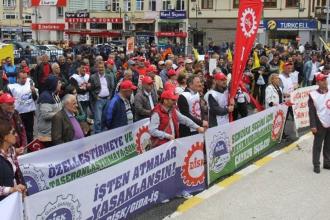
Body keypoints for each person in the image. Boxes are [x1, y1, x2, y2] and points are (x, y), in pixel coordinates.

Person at [7, 71, 38, 144]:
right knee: (19, 133)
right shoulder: (12, 87)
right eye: (23, 78)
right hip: (18, 114)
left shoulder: (30, 84)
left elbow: (35, 98)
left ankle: (31, 149)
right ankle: (20, 149)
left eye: (25, 77)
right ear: (17, 78)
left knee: (30, 132)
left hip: (29, 112)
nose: (25, 79)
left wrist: (33, 91)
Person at [308, 73, 330, 174]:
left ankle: (327, 162)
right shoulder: (313, 95)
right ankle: (316, 164)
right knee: (318, 145)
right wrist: (313, 125)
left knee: (328, 144)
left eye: (325, 79)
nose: (324, 81)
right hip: (319, 122)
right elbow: (311, 111)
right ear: (317, 82)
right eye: (322, 80)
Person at [0, 122, 26, 201]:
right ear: (5, 137)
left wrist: (21, 188)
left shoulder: (12, 150)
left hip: (14, 198)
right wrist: (11, 189)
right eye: (13, 132)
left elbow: (16, 174)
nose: (16, 135)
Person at [36, 75, 62, 148]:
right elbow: (46, 115)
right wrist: (61, 114)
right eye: (59, 83)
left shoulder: (55, 95)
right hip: (47, 134)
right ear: (53, 84)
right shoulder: (45, 96)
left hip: (55, 131)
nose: (61, 84)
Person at [89, 62, 114, 134]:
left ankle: (103, 133)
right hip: (99, 100)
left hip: (107, 99)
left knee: (105, 117)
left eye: (102, 67)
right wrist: (95, 96)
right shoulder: (93, 77)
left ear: (104, 68)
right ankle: (97, 134)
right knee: (98, 119)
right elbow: (91, 89)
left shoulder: (109, 76)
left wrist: (110, 95)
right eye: (99, 67)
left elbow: (111, 87)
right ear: (97, 68)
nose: (101, 69)